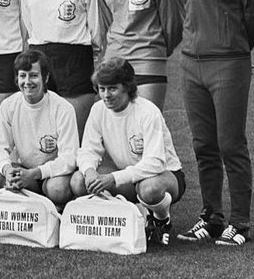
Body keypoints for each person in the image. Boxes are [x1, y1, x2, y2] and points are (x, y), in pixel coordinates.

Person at [171, 0, 254, 246]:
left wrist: (233, 51)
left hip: (228, 65)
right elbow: (186, 15)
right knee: (203, 145)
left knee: (230, 144)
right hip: (191, 67)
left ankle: (239, 223)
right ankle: (211, 217)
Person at [70, 58, 185, 246]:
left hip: (165, 176)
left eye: (112, 88)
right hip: (126, 176)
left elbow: (155, 163)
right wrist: (90, 171)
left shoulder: (148, 112)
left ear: (128, 87)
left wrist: (113, 178)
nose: (106, 95)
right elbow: (88, 150)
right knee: (78, 181)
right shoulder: (98, 109)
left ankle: (161, 219)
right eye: (101, 89)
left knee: (150, 189)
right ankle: (123, 219)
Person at [19, 0, 102, 138]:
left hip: (74, 58)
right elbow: (29, 23)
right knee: (42, 134)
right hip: (40, 54)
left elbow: (96, 27)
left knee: (74, 133)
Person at [0, 50, 78, 206]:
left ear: (45, 77)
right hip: (24, 170)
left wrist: (35, 173)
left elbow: (69, 158)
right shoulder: (9, 105)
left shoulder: (63, 108)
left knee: (57, 190)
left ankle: (55, 214)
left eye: (33, 75)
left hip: (52, 175)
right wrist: (8, 170)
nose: (27, 82)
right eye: (22, 76)